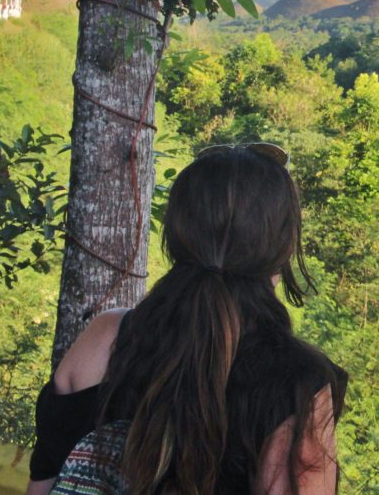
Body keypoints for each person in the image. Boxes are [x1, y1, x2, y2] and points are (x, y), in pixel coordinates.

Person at [24, 143, 347, 495]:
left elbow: (44, 485)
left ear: (177, 234)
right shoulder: (296, 382)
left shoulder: (106, 337)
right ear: (283, 247)